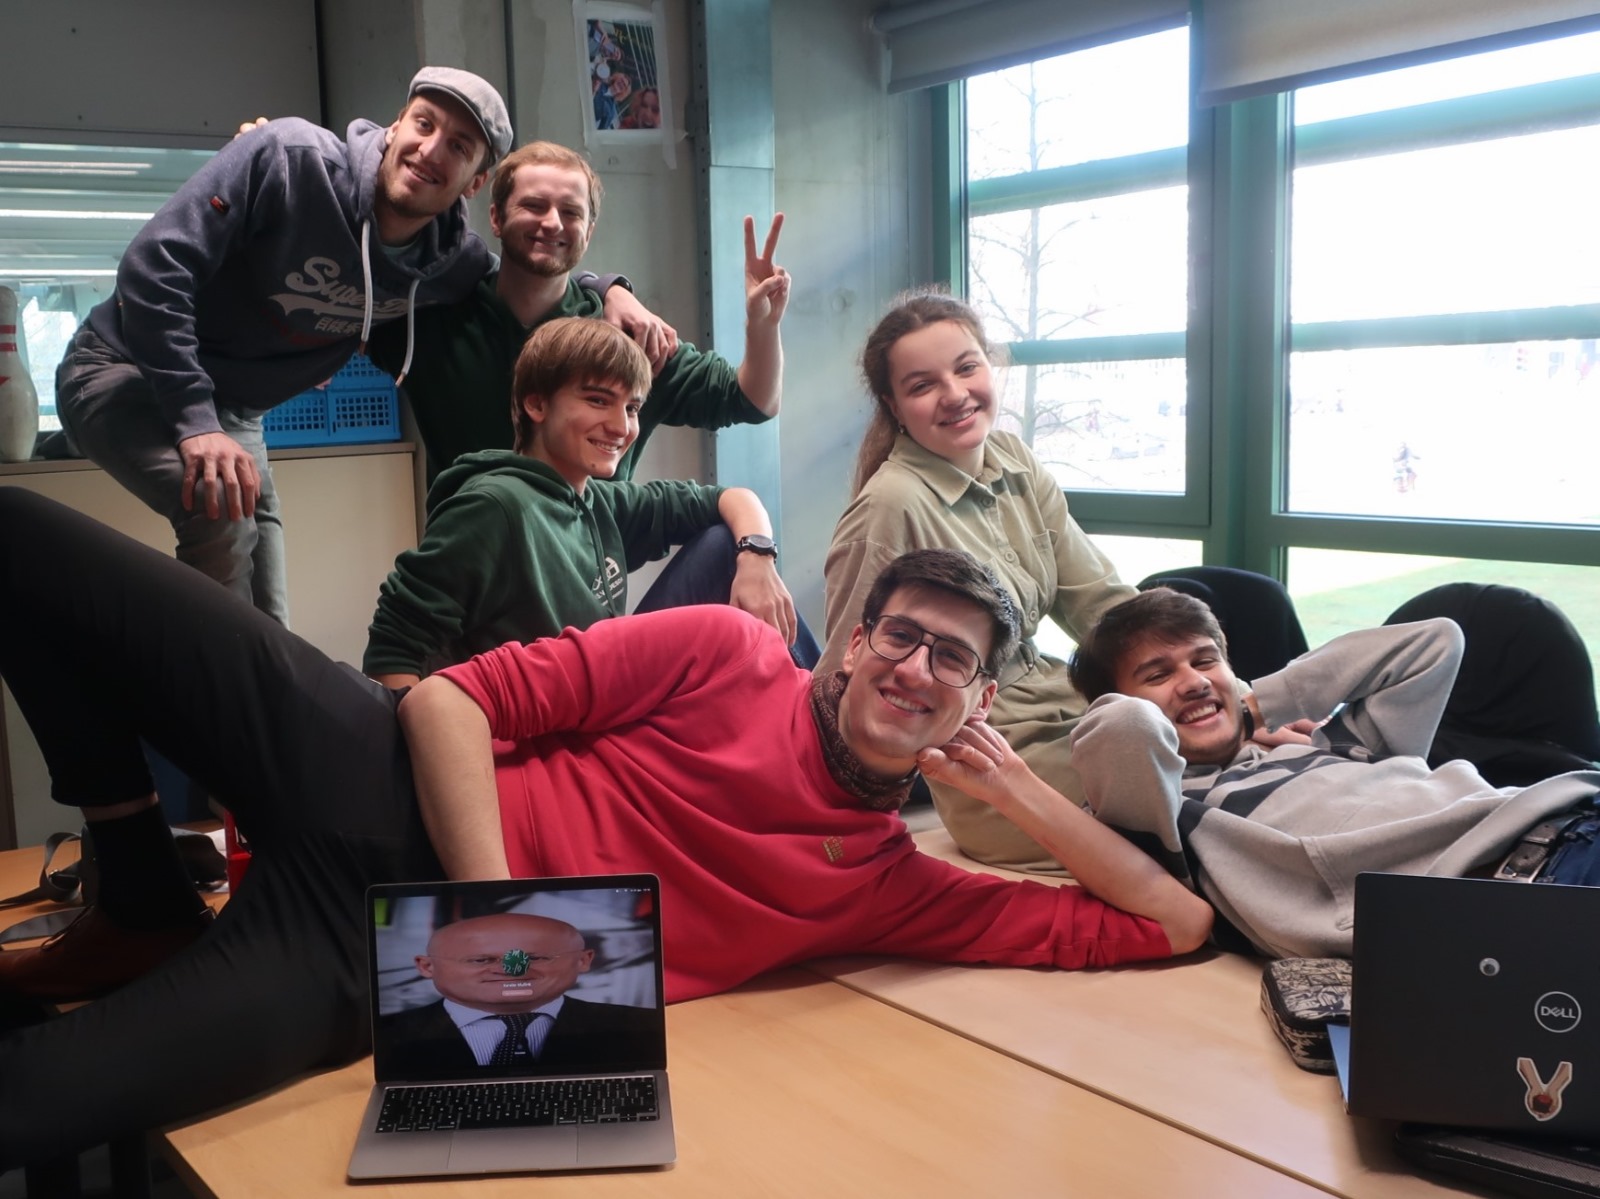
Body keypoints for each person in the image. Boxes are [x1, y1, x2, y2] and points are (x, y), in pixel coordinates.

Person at [0, 496, 1209, 1167]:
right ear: (852, 643)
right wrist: (487, 919)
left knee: (36, 1105)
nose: (915, 666)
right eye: (899, 634)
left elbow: (1172, 923)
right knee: (25, 539)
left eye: (952, 659)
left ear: (980, 699)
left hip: (363, 966)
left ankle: (146, 918)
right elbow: (450, 699)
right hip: (368, 765)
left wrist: (1021, 791)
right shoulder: (726, 649)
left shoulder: (890, 886)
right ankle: (138, 884)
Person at [54, 67, 514, 626]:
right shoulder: (291, 160)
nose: (431, 148)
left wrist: (603, 288)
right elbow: (154, 267)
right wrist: (197, 422)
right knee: (221, 518)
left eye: (459, 146)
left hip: (236, 410)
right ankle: (208, 682)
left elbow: (523, 281)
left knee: (269, 619)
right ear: (396, 125)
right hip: (119, 365)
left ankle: (247, 682)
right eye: (424, 123)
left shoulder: (449, 261)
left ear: (474, 182)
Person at [1065, 587, 1600, 961]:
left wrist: (1254, 707)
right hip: (1528, 888)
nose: (1194, 682)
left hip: (1569, 817)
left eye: (1205, 661)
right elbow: (1123, 728)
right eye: (1157, 674)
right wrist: (1190, 708)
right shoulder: (1173, 813)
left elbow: (1437, 641)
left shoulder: (1339, 745)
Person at [821, 289, 1134, 873]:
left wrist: (1209, 682)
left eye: (966, 368)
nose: (955, 394)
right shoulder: (889, 506)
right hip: (993, 760)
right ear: (893, 406)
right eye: (923, 385)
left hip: (1069, 708)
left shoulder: (1014, 459)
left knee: (1219, 738)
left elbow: (1104, 606)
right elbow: (845, 679)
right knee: (1193, 780)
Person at [362, 318, 798, 686]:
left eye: (631, 408)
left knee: (725, 544)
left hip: (603, 697)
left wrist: (757, 556)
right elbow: (394, 646)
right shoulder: (494, 508)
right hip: (543, 729)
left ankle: (811, 717)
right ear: (536, 404)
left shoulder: (598, 501)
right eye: (597, 400)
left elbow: (730, 498)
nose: (621, 427)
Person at [367, 140, 787, 486]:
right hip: (465, 557)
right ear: (495, 217)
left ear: (589, 230)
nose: (552, 223)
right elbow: (347, 322)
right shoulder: (431, 323)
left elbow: (752, 400)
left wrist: (763, 325)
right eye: (534, 205)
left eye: (571, 212)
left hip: (591, 561)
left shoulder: (626, 337)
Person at [378, 913, 658, 1074]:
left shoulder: (639, 1028)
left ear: (583, 960)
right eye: (482, 960)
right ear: (426, 966)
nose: (513, 970)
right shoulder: (387, 1036)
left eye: (535, 958)